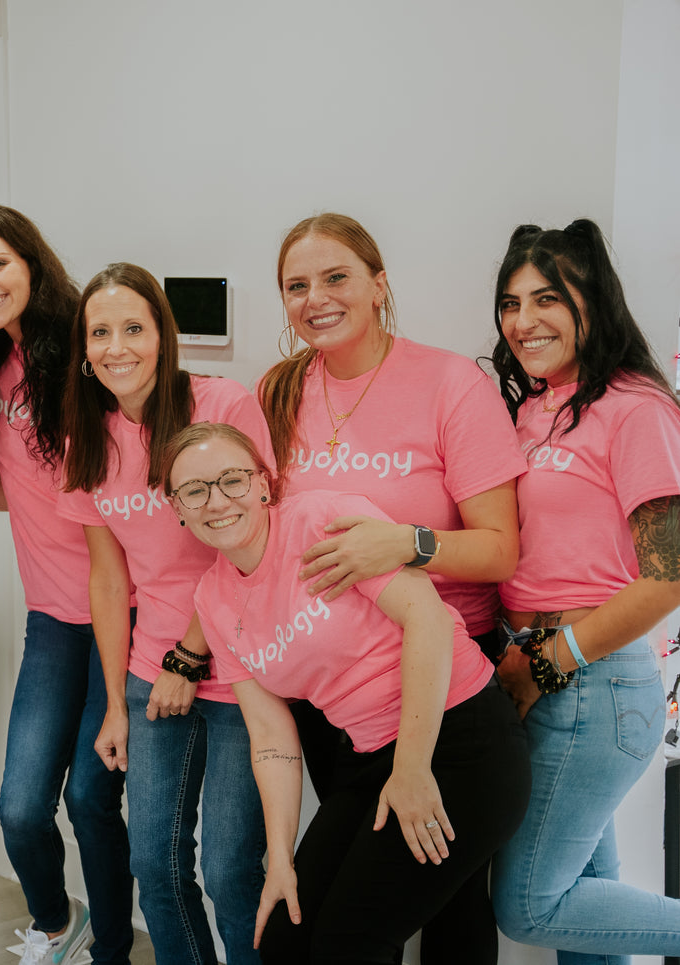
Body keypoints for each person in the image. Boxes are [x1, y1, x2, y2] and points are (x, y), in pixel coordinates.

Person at [256, 212, 527, 962]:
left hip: (440, 673)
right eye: (295, 285)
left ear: (378, 284)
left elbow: (500, 549)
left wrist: (403, 546)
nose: (316, 297)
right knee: (366, 901)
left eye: (336, 276)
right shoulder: (279, 391)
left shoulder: (448, 384)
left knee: (448, 898)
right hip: (332, 695)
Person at [162, 421, 530, 964]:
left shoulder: (320, 520)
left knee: (349, 946)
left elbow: (427, 618)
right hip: (368, 759)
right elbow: (271, 737)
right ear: (177, 508)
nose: (217, 500)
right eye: (194, 490)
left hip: (460, 742)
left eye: (233, 480)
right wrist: (281, 859)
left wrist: (411, 770)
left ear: (264, 484)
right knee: (288, 935)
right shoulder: (213, 599)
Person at [0, 206, 133, 965]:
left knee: (88, 801)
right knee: (18, 808)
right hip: (52, 616)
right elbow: (8, 496)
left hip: (132, 614)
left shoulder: (87, 351)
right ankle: (56, 924)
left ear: (31, 264)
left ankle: (111, 950)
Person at [56, 263, 269, 965]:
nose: (117, 347)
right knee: (156, 865)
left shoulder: (221, 405)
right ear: (84, 350)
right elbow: (108, 581)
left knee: (233, 874)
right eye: (99, 332)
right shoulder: (86, 435)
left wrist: (190, 653)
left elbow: (249, 541)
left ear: (162, 335)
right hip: (151, 678)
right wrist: (117, 701)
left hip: (238, 671)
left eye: (133, 328)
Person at [487, 220, 680, 960]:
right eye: (509, 302)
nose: (522, 320)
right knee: (587, 894)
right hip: (540, 671)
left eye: (545, 298)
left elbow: (668, 574)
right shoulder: (539, 404)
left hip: (589, 685)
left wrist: (549, 659)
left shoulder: (635, 409)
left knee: (533, 905)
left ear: (591, 302)